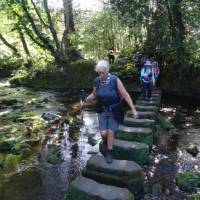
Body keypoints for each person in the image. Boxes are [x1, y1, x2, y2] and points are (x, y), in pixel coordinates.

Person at [81, 60, 138, 164]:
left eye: (102, 72)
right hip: (102, 109)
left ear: (107, 71)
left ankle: (109, 151)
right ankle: (106, 141)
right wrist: (85, 100)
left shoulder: (115, 80)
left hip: (114, 110)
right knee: (104, 133)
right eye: (99, 72)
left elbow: (125, 95)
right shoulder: (97, 81)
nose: (100, 75)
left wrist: (133, 109)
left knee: (110, 132)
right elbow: (94, 94)